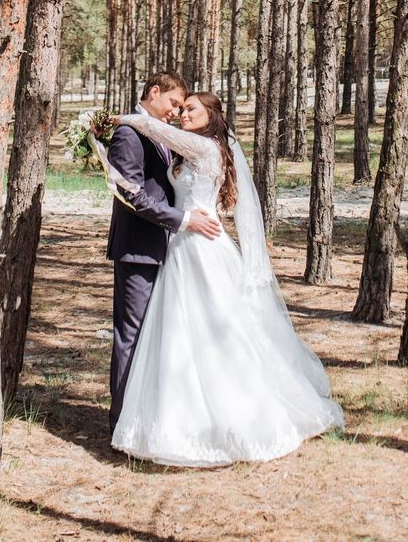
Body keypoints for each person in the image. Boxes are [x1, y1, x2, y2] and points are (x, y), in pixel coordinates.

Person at [110, 91, 344, 466]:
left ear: (211, 115)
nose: (182, 114)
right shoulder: (195, 150)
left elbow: (154, 127)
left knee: (216, 329)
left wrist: (121, 120)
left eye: (190, 109)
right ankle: (178, 413)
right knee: (178, 332)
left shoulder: (207, 148)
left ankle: (237, 417)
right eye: (181, 108)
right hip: (183, 243)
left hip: (202, 244)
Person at [106, 73, 222, 432]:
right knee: (133, 335)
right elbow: (132, 196)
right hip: (140, 247)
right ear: (154, 92)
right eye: (174, 103)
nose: (177, 113)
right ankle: (122, 421)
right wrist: (184, 219)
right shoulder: (130, 132)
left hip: (173, 249)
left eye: (185, 108)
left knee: (166, 336)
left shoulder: (160, 133)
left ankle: (153, 417)